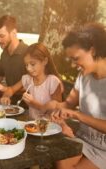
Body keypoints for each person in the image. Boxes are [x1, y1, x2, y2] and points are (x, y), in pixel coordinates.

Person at [46, 23, 106, 169]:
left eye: (76, 58)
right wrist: (53, 108)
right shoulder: (83, 76)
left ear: (92, 50)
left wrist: (78, 115)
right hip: (82, 140)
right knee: (58, 159)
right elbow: (67, 105)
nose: (73, 65)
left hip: (103, 151)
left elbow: (75, 113)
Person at [0, 43, 63, 119]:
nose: (29, 68)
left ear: (45, 61)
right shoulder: (28, 79)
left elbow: (57, 111)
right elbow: (11, 89)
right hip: (31, 125)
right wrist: (5, 96)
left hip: (49, 127)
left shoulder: (52, 82)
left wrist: (34, 103)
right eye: (26, 65)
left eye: (32, 64)